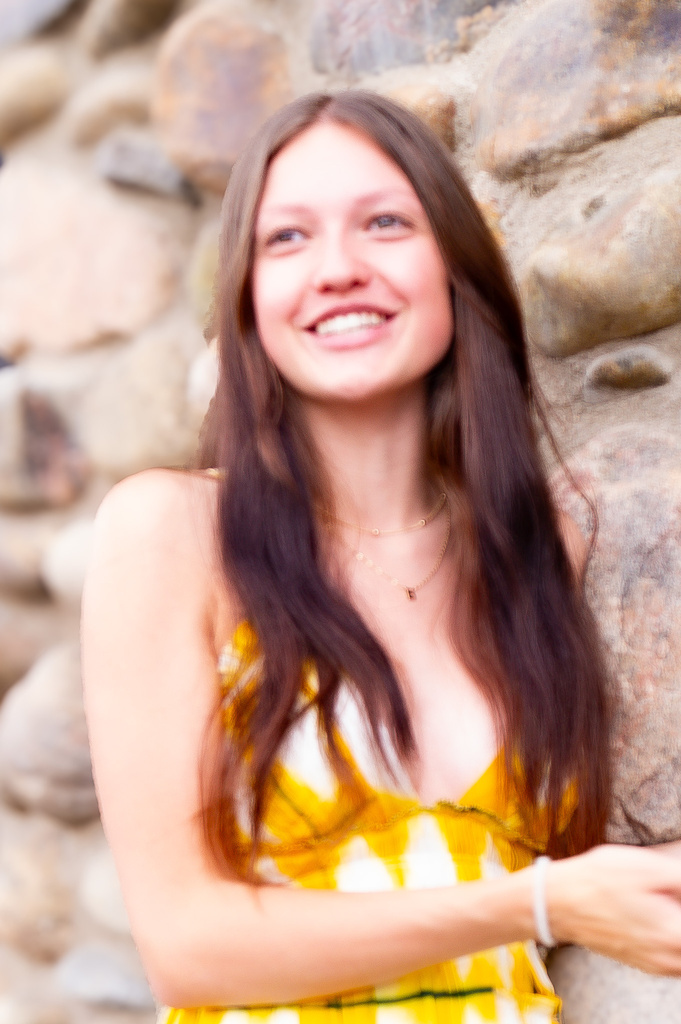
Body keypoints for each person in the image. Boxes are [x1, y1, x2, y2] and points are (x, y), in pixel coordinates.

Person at [82, 91, 681, 1024]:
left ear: (453, 268)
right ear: (246, 297)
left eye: (384, 223)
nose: (337, 270)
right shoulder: (174, 534)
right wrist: (535, 904)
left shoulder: (532, 553)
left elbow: (562, 879)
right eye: (287, 239)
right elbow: (185, 947)